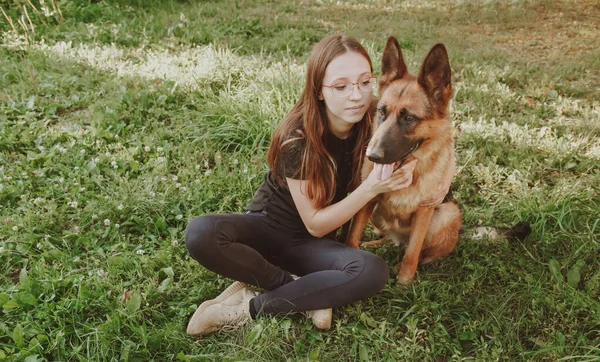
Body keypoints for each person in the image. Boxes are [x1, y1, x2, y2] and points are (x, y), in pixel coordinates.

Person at [184, 34, 453, 336]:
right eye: (341, 86)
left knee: (372, 272)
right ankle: (303, 290)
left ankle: (250, 308)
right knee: (201, 232)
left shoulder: (378, 114)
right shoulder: (297, 137)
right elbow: (315, 224)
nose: (356, 95)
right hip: (268, 230)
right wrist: (371, 188)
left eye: (364, 82)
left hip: (314, 249)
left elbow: (435, 131)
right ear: (320, 91)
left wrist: (443, 180)